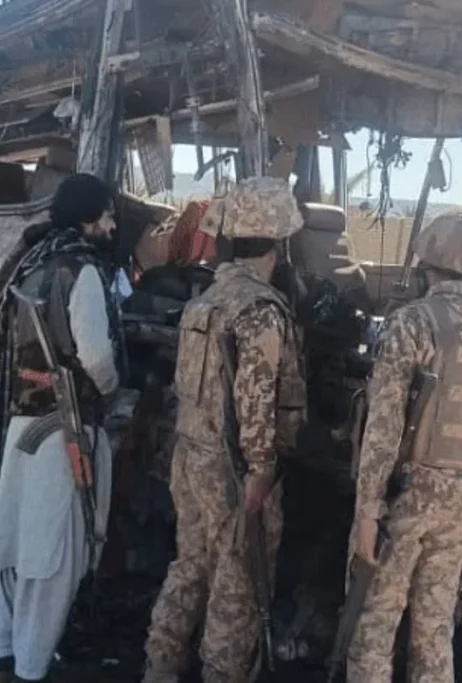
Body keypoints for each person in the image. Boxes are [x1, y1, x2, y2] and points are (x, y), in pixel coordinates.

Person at [346, 207, 462, 683]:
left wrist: (368, 511)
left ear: (429, 258)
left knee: (375, 623)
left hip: (406, 501)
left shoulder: (413, 323)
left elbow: (383, 427)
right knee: (434, 630)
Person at [141, 177, 308, 683]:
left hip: (190, 456)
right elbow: (255, 402)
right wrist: (260, 470)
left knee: (189, 565)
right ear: (279, 241)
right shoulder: (259, 310)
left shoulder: (206, 301)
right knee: (237, 583)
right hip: (232, 470)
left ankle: (160, 665)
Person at [0, 173, 121, 683]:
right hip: (66, 428)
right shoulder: (81, 270)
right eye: (108, 214)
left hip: (24, 423)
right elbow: (96, 358)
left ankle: (3, 653)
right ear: (89, 217)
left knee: (14, 543)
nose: (113, 225)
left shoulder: (32, 263)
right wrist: (112, 389)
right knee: (54, 552)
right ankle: (31, 667)